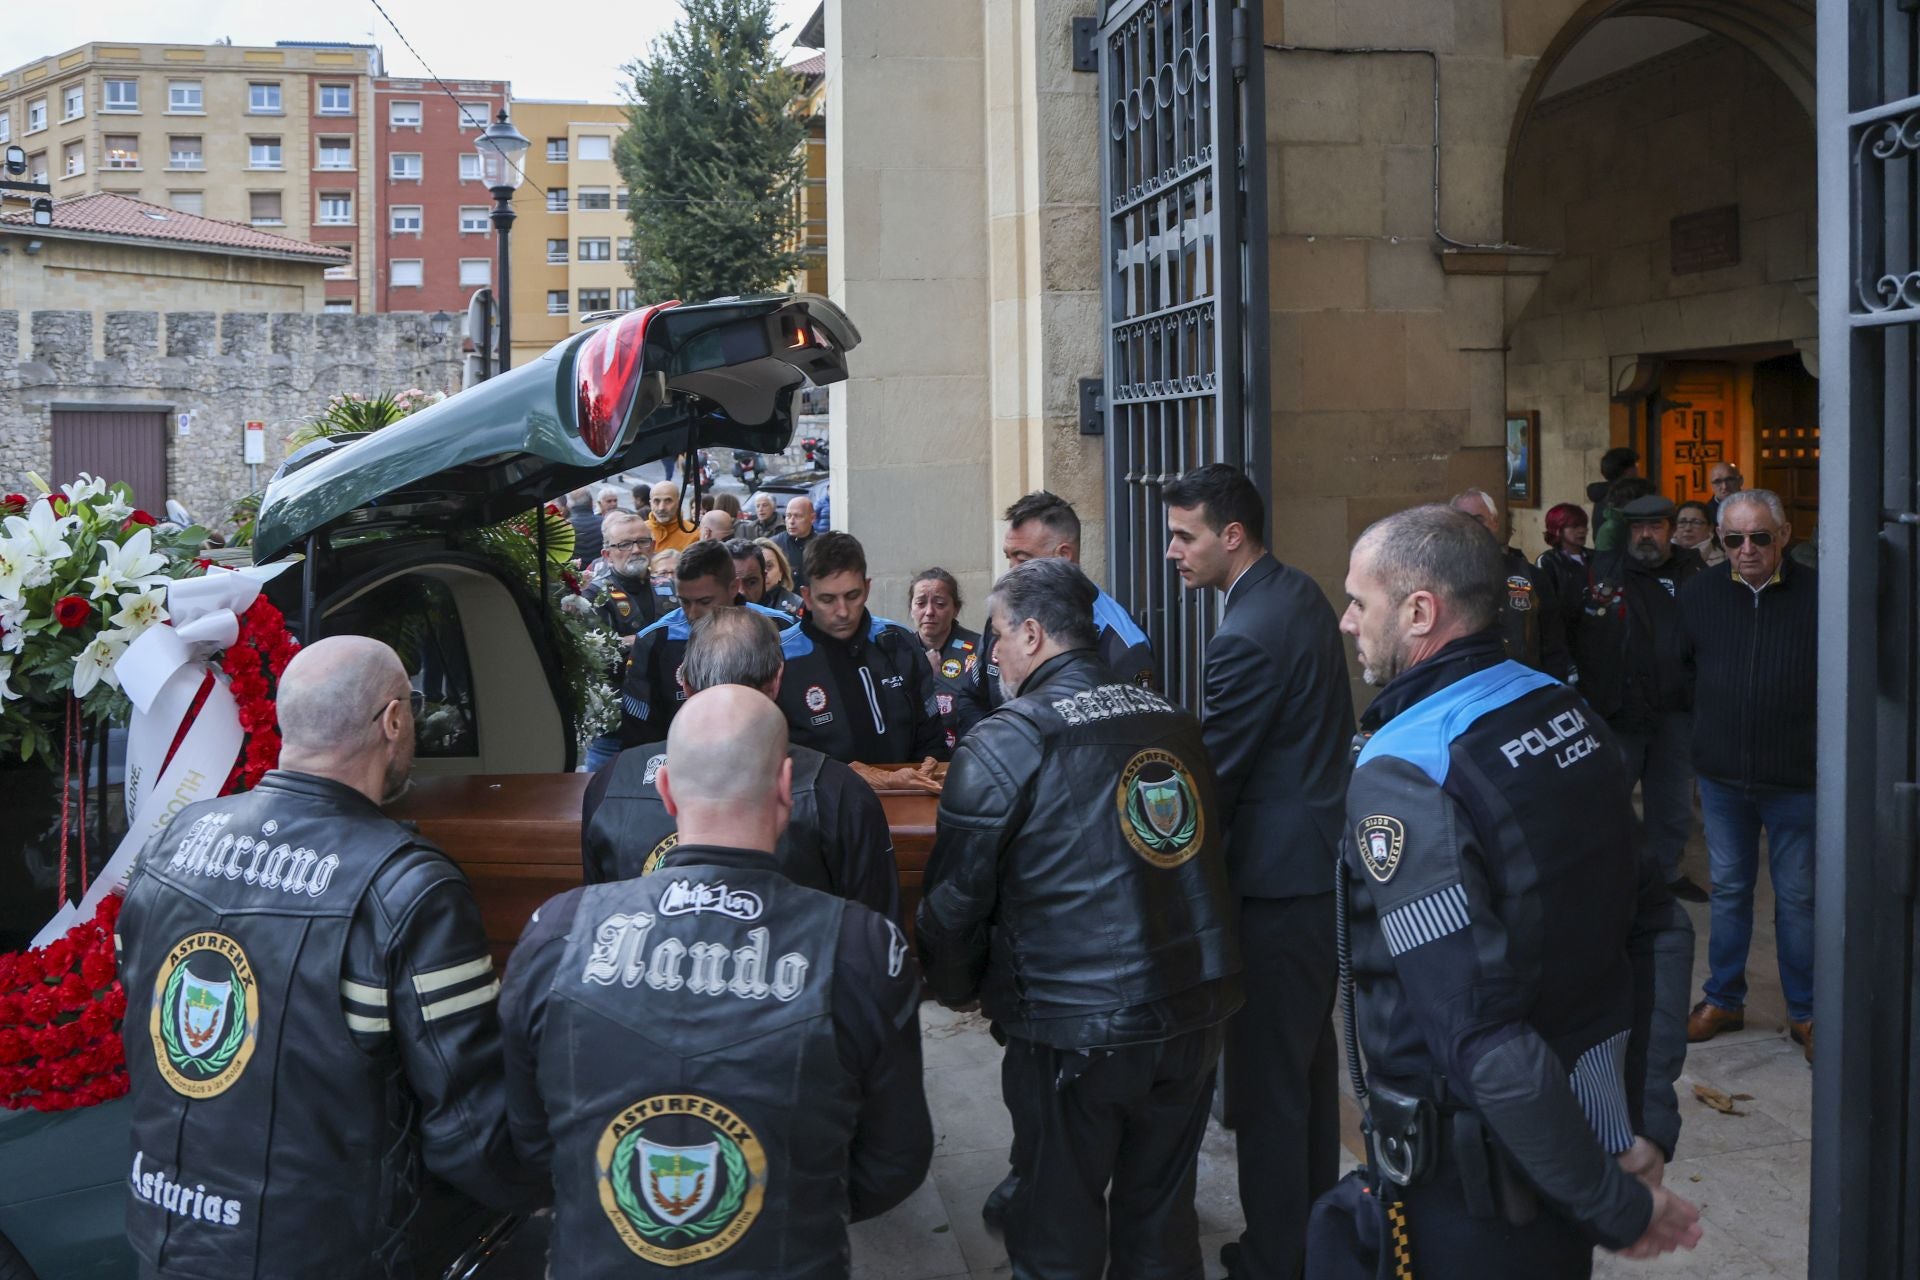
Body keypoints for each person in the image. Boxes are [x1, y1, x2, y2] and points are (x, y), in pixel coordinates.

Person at [1310, 505, 1698, 1276]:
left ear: (1420, 611)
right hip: (1575, 1151)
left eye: (1360, 602)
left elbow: (1480, 1035)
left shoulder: (1409, 772)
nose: (1348, 622)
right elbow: (1659, 925)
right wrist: (1643, 1125)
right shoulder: (1561, 707)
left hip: (1471, 1191)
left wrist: (1615, 1208)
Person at [118, 636, 542, 1278]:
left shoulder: (175, 840)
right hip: (330, 1253)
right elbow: (471, 1133)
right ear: (394, 721)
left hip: (167, 1237)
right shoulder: (407, 887)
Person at [503, 686, 932, 1277]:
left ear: (668, 792)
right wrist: (790, 1200)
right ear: (785, 789)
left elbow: (529, 1141)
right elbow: (894, 1160)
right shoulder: (862, 948)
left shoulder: (556, 934)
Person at [917, 557, 1242, 1279]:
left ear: (1032, 635)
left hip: (1075, 1028)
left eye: (997, 635)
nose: (989, 653)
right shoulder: (1175, 721)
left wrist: (954, 982)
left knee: (1057, 1231)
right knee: (1160, 1222)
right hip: (1191, 1012)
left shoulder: (1008, 739)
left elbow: (955, 902)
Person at [1161, 464, 1353, 1280]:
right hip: (1314, 872)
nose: (1172, 551)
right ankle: (1311, 1238)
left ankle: (1276, 1257)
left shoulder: (1243, 634)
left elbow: (1218, 782)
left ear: (1230, 536)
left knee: (1272, 1093)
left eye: (1184, 535)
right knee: (1306, 1077)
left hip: (1275, 891)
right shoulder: (1296, 589)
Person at [585, 607, 900, 922]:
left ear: (685, 684)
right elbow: (875, 934)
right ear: (777, 680)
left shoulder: (610, 781)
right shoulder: (838, 790)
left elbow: (596, 921)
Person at [1679, 490, 1818, 1060]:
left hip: (1797, 777)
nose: (1747, 550)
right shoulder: (1699, 594)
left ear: (1784, 535)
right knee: (1731, 889)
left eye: (1760, 537)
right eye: (1733, 539)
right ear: (1719, 539)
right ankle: (1725, 998)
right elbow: (1683, 671)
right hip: (1723, 778)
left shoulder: (1819, 595)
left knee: (1798, 897)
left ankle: (1807, 1011)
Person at [1572, 494, 1707, 903]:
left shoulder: (1692, 570)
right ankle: (1609, 874)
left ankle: (1667, 871)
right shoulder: (1606, 569)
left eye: (1654, 527)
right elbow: (1580, 632)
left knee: (1672, 800)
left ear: (1670, 530)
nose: (1645, 536)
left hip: (1675, 708)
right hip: (1620, 707)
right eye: (1637, 528)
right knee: (1610, 798)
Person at [957, 490, 1155, 736]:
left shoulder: (1122, 643)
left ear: (1063, 557)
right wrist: (998, 749)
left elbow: (1130, 739)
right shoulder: (1002, 619)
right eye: (1009, 558)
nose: (1010, 572)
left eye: (1022, 559)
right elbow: (970, 698)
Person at [774, 532, 947, 764]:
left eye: (852, 596)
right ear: (807, 596)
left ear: (866, 588)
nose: (843, 611)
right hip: (823, 798)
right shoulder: (780, 657)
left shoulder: (899, 643)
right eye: (828, 599)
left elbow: (932, 738)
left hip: (906, 793)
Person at [620, 540, 798, 748]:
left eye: (705, 602)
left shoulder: (781, 629)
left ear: (732, 587)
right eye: (684, 601)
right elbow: (639, 733)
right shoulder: (655, 641)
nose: (692, 613)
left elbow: (797, 714)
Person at [1451, 488, 1570, 680]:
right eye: (1463, 522)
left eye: (1479, 520)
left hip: (1526, 691)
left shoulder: (1531, 576)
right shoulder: (1441, 580)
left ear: (1495, 523)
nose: (1472, 528)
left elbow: (1553, 645)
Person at [583, 512, 662, 771]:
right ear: (607, 554)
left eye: (642, 542)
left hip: (663, 718)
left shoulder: (669, 588)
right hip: (616, 726)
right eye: (625, 544)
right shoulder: (594, 595)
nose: (636, 550)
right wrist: (643, 641)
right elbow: (595, 656)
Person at [910, 567, 980, 753]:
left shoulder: (980, 649)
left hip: (968, 756)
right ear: (911, 608)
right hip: (916, 764)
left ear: (956, 609)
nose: (929, 612)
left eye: (940, 604)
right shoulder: (899, 651)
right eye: (920, 603)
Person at [1535, 500, 1592, 648]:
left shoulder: (1594, 557)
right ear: (1558, 530)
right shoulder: (1548, 561)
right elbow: (1547, 607)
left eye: (1584, 525)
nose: (1582, 531)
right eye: (1574, 526)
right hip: (1565, 636)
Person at [1588, 446, 1641, 549]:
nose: (1637, 469)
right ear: (1627, 471)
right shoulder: (1624, 498)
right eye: (1635, 465)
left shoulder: (1603, 495)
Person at [643, 480, 697, 554]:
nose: (661, 508)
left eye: (668, 501)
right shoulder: (640, 531)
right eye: (656, 501)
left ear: (679, 503)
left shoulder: (694, 535)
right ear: (650, 504)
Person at [776, 495, 819, 590]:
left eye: (798, 516)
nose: (791, 521)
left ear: (812, 518)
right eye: (788, 516)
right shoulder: (775, 545)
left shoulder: (823, 546)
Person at [1674, 499, 1726, 567]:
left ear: (1710, 527)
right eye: (1682, 522)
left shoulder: (1723, 561)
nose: (1688, 528)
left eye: (1696, 522)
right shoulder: (1663, 557)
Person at [568, 488, 605, 566]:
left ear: (569, 505)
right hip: (599, 571)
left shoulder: (565, 526)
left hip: (574, 574)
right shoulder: (603, 522)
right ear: (591, 502)